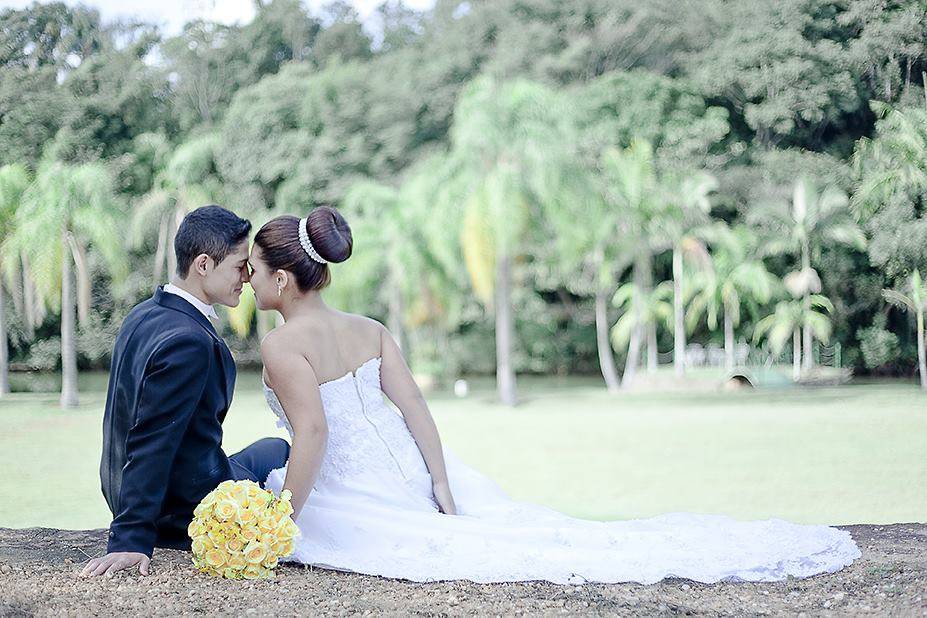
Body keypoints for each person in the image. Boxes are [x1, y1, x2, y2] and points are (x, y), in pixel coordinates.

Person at [249, 206, 860, 584]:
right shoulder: (371, 330)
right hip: (411, 475)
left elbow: (315, 434)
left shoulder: (282, 346)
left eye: (254, 269)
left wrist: (283, 526)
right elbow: (414, 411)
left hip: (352, 490)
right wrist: (439, 484)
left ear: (283, 278)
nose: (249, 279)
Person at [82, 205, 290, 578]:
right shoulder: (189, 341)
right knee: (285, 457)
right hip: (178, 506)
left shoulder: (145, 313)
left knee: (274, 448)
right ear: (204, 264)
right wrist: (130, 536)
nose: (247, 276)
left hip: (135, 483)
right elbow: (151, 440)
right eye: (240, 265)